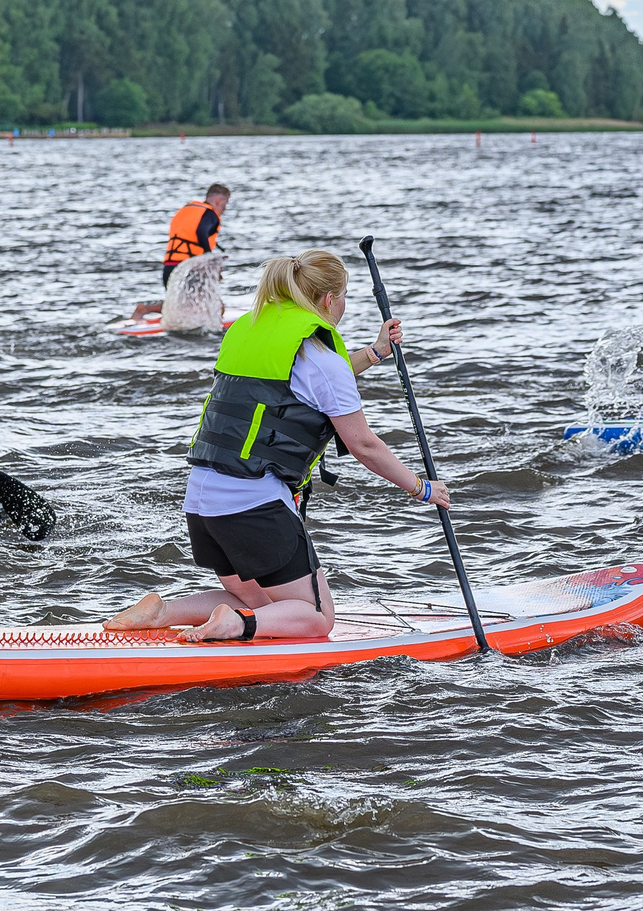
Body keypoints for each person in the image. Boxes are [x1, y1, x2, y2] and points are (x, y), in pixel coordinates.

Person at [107, 250, 447, 644]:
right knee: (317, 619)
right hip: (253, 507)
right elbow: (364, 444)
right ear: (328, 300)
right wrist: (421, 488)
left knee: (255, 598)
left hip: (202, 504)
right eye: (345, 295)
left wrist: (374, 353)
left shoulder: (252, 331)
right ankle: (235, 625)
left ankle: (162, 612)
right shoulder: (319, 356)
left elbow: (307, 383)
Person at [131, 184, 231, 319]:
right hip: (188, 267)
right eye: (226, 203)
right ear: (219, 201)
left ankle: (146, 309)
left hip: (170, 265)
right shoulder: (210, 214)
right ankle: (146, 309)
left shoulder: (187, 209)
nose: (225, 208)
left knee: (180, 303)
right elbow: (200, 231)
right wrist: (209, 258)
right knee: (217, 307)